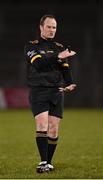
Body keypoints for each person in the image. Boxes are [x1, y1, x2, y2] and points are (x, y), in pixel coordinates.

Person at [24, 14, 76, 173]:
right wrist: (58, 57)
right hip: (38, 90)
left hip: (56, 91)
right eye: (49, 27)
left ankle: (49, 163)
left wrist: (70, 83)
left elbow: (65, 69)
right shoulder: (31, 46)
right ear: (41, 27)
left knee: (53, 129)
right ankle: (43, 161)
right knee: (42, 125)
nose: (52, 30)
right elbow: (39, 64)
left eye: (54, 27)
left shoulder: (60, 47)